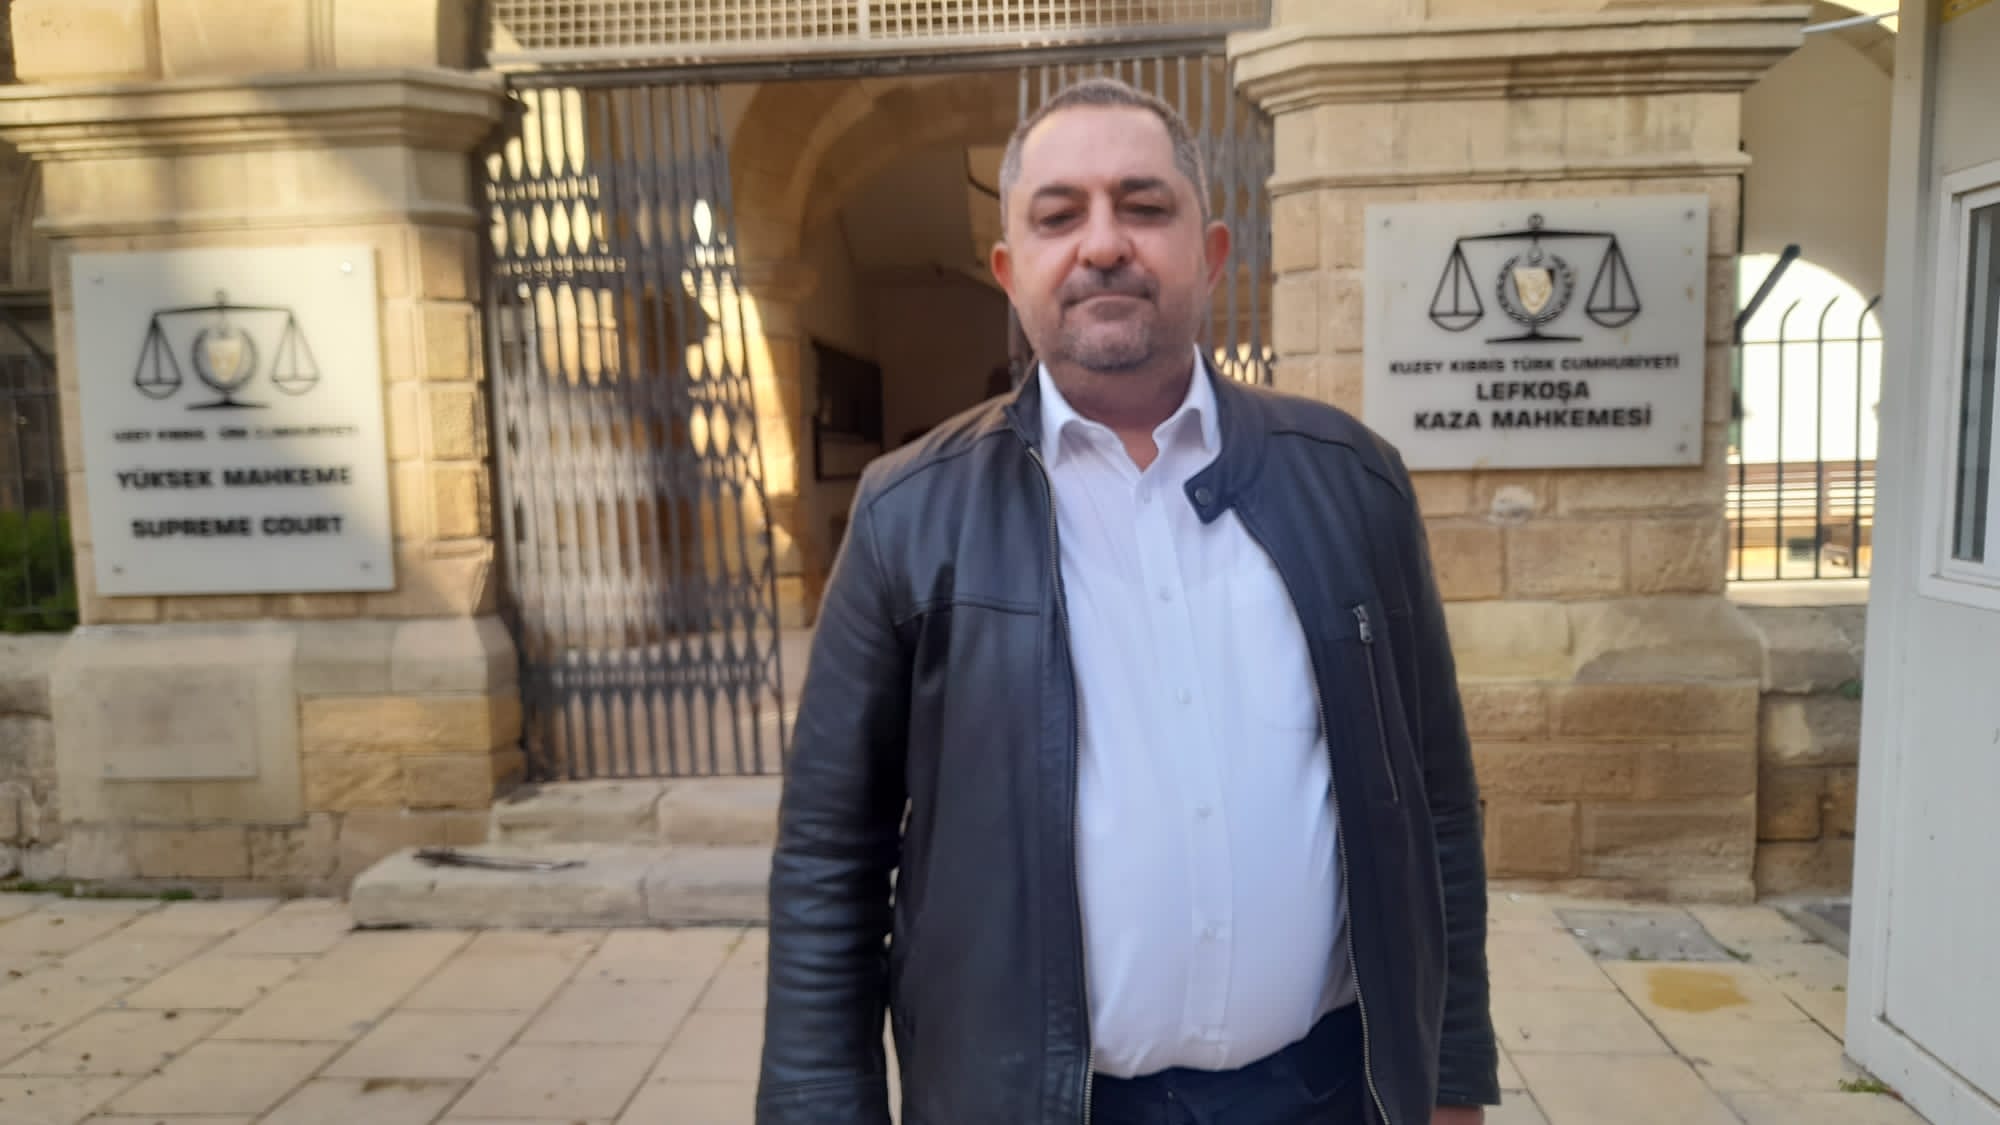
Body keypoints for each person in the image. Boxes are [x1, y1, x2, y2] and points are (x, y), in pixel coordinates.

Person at [758, 76, 1499, 1125]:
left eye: (1143, 206)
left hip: (1327, 1092)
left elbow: (1434, 804)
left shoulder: (1352, 482)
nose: (1102, 244)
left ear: (1211, 252)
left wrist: (1453, 1077)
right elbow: (829, 866)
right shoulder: (906, 515)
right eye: (1059, 216)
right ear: (1009, 271)